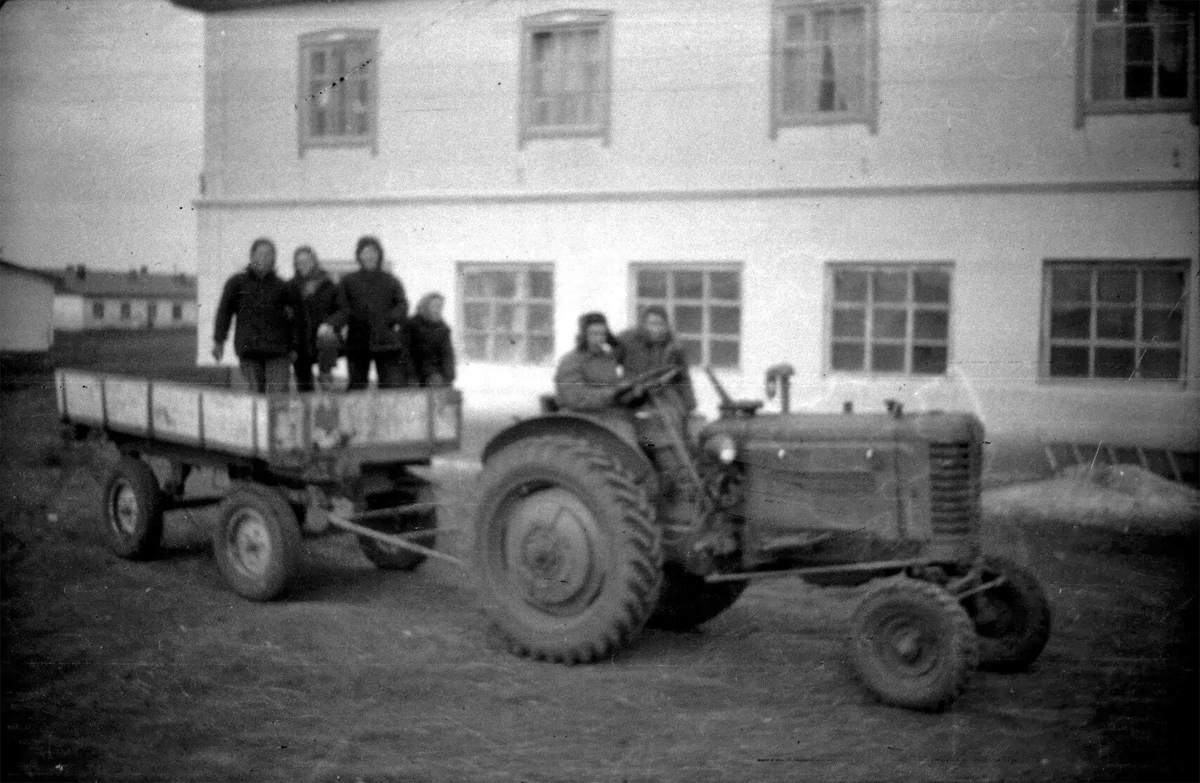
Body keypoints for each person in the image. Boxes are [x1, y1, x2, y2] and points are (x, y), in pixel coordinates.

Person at [211, 238, 305, 394]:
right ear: (252, 256)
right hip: (249, 351)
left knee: (279, 396)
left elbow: (294, 320)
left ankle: (277, 419)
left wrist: (295, 346)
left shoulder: (283, 287)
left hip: (278, 352)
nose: (264, 258)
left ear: (274, 259)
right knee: (256, 399)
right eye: (260, 253)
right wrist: (219, 341)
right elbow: (224, 313)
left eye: (269, 254)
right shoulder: (237, 283)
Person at [318, 236, 412, 390]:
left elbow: (402, 305)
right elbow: (342, 308)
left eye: (373, 252)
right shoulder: (349, 281)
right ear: (359, 256)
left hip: (386, 342)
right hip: (358, 341)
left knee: (392, 387)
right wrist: (331, 324)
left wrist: (389, 319)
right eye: (365, 252)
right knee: (357, 387)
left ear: (379, 255)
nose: (370, 256)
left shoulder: (390, 280)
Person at [616, 305, 697, 416]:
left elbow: (683, 377)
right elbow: (609, 363)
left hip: (663, 394)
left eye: (660, 324)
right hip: (634, 392)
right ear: (643, 324)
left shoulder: (674, 346)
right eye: (652, 324)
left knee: (672, 417)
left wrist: (690, 404)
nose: (656, 329)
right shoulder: (627, 340)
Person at [287, 245, 339, 392]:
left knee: (328, 337)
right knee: (304, 389)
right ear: (295, 265)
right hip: (300, 343)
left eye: (307, 261)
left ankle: (325, 374)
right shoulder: (290, 287)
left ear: (314, 261)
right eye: (299, 262)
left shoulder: (328, 284)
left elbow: (342, 310)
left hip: (322, 341)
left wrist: (330, 324)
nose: (303, 265)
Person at [554, 311, 623, 411]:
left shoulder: (608, 359)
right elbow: (575, 398)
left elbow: (614, 387)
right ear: (584, 335)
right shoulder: (570, 361)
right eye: (594, 334)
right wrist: (613, 393)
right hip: (577, 418)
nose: (599, 339)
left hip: (606, 414)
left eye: (602, 334)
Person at [407, 292, 456, 387]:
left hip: (433, 372)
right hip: (413, 370)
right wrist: (411, 374)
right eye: (433, 306)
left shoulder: (443, 329)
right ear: (425, 306)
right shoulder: (411, 325)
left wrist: (449, 376)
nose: (437, 310)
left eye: (439, 307)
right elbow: (406, 352)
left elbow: (447, 354)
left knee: (437, 383)